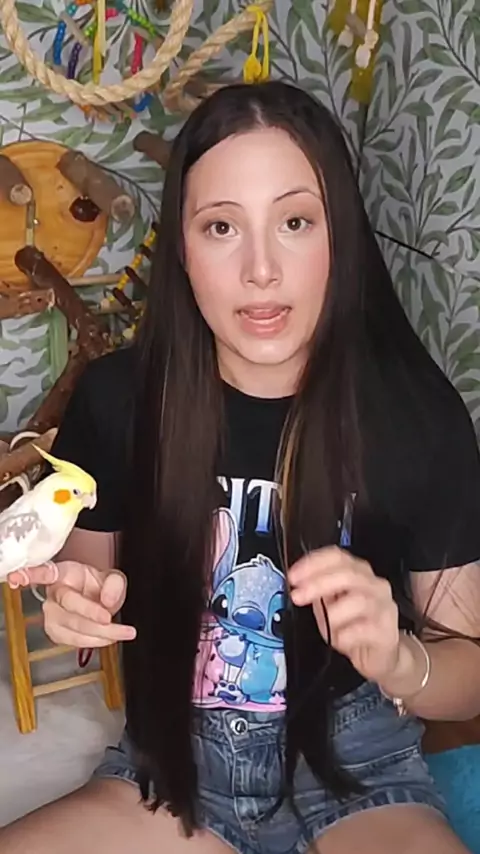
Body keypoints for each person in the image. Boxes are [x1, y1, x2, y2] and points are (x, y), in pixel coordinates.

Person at [2, 81, 480, 854]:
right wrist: (76, 610)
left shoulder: (417, 417)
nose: (262, 269)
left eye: (295, 222)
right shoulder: (118, 400)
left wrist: (401, 658)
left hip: (362, 774)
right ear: (183, 251)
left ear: (339, 237)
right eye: (222, 226)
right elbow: (89, 594)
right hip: (172, 775)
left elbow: (470, 672)